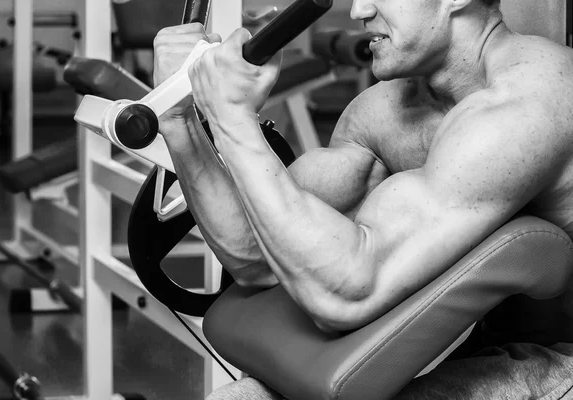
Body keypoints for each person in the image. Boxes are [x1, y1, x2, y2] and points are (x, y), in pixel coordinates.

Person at [153, 0, 573, 398]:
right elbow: (256, 255)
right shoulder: (387, 108)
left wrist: (233, 120)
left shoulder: (524, 105)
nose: (359, 11)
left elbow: (348, 292)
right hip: (488, 344)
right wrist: (180, 119)